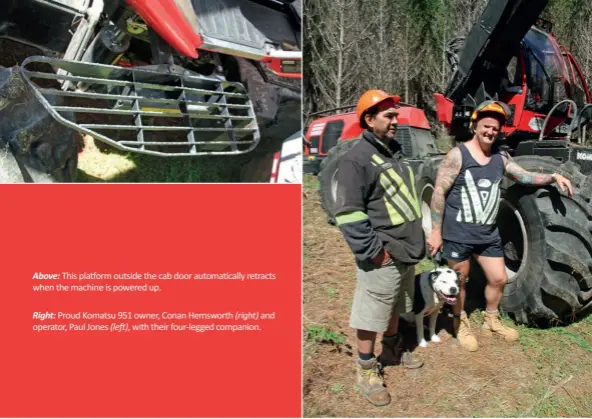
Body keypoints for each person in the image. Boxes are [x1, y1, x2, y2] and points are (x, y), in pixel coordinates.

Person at [426, 100, 573, 352]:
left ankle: (491, 320)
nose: (490, 132)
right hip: (458, 233)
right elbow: (439, 192)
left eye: (495, 128)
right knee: (459, 282)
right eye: (486, 126)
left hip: (487, 234)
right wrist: (436, 231)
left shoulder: (500, 158)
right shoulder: (457, 155)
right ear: (475, 126)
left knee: (499, 278)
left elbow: (523, 176)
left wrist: (552, 176)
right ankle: (459, 323)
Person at [333, 89, 426, 407]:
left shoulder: (393, 154)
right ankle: (366, 368)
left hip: (406, 251)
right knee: (371, 313)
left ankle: (392, 346)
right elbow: (348, 214)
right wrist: (375, 252)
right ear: (368, 119)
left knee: (396, 307)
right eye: (388, 115)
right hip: (382, 255)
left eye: (395, 114)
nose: (395, 120)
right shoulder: (355, 160)